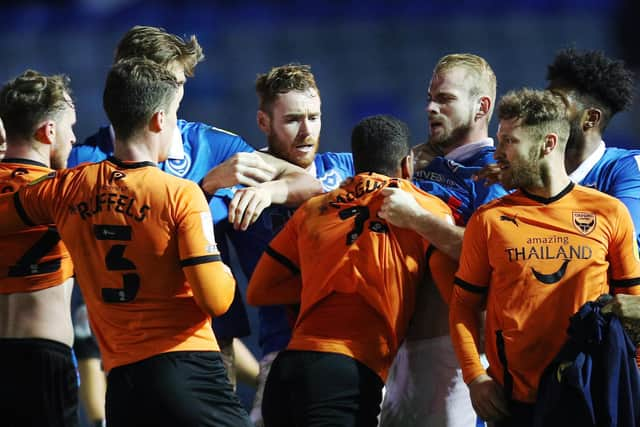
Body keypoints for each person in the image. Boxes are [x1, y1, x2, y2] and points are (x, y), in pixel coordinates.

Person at [68, 26, 321, 407]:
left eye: (180, 82)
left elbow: (306, 182)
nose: (176, 94)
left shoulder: (212, 144)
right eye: (170, 81)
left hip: (209, 340)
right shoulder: (87, 159)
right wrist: (204, 188)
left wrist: (268, 191)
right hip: (129, 346)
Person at [0, 58, 253, 427]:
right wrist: (224, 272)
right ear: (159, 120)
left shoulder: (70, 187)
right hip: (187, 366)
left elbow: (11, 210)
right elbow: (216, 299)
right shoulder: (181, 193)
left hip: (121, 380)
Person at [247, 114, 456, 426]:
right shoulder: (425, 210)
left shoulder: (314, 208)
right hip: (348, 373)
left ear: (355, 162)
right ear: (406, 163)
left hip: (288, 368)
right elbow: (452, 292)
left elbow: (259, 290)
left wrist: (324, 280)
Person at [449, 88, 640, 426]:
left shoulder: (609, 213)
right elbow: (463, 304)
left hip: (592, 399)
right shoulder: (489, 220)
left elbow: (634, 305)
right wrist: (474, 376)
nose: (499, 151)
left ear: (548, 144)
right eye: (499, 139)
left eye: (510, 141)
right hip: (515, 405)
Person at [217, 63, 354, 426]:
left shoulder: (347, 169)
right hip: (282, 351)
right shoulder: (238, 181)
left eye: (315, 117)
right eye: (293, 119)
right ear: (264, 122)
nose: (307, 131)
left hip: (355, 349)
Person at [379, 53, 506, 427]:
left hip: (451, 355)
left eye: (445, 99)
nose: (430, 108)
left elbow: (491, 253)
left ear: (481, 106)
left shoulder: (492, 173)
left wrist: (418, 219)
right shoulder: (421, 164)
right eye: (430, 98)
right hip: (397, 350)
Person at [0, 70, 78, 427]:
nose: (74, 138)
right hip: (43, 357)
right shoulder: (67, 193)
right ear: (48, 131)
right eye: (70, 128)